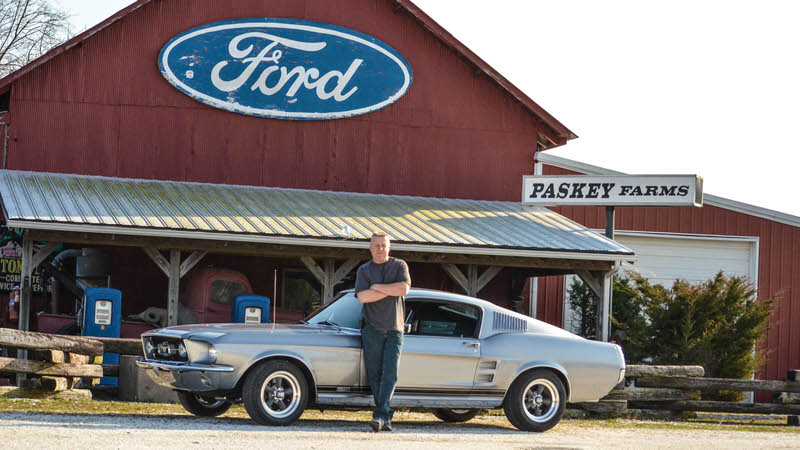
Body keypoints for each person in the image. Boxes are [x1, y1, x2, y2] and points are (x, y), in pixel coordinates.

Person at [355, 232, 411, 432]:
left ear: (389, 248)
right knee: (375, 375)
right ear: (370, 248)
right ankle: (384, 417)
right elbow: (362, 297)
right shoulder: (364, 270)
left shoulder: (399, 266)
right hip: (371, 329)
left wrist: (377, 287)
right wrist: (389, 289)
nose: (379, 249)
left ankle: (381, 415)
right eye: (376, 245)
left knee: (391, 374)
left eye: (383, 245)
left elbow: (404, 289)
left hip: (395, 330)